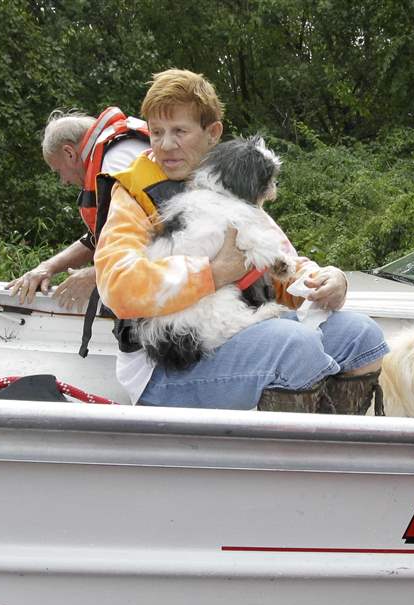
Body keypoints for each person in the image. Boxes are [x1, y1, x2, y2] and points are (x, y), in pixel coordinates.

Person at [94, 68, 388, 413]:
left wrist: (326, 280)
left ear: (212, 133)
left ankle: (339, 448)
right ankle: (288, 463)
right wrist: (214, 273)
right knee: (294, 342)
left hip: (239, 334)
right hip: (166, 367)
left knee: (360, 334)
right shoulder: (131, 196)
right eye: (156, 132)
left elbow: (282, 264)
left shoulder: (233, 185)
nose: (165, 145)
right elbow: (117, 285)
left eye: (180, 131)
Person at [6, 108, 150, 310]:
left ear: (69, 153)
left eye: (58, 171)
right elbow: (105, 236)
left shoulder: (115, 166)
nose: (63, 181)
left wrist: (96, 275)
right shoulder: (121, 151)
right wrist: (47, 267)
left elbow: (161, 235)